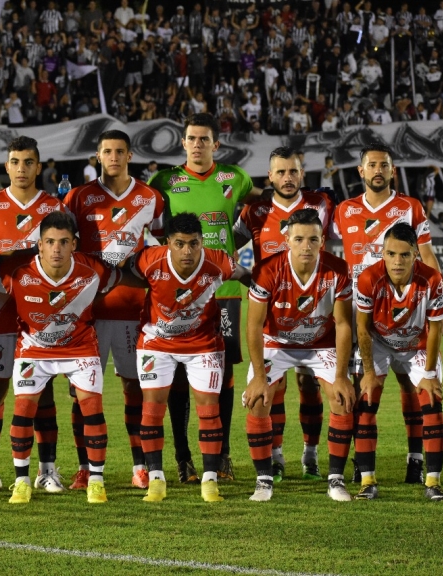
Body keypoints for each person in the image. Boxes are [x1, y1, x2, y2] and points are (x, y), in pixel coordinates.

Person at [148, 112, 261, 484]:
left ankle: (222, 453)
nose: (197, 145)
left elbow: (262, 204)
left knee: (222, 374)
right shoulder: (164, 181)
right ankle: (183, 458)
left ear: (216, 144)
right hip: (179, 292)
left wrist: (238, 241)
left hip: (223, 292)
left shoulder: (234, 178)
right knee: (179, 374)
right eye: (192, 139)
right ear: (183, 143)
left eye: (204, 139)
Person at [0, 212, 132, 505]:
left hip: (80, 348)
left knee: (92, 409)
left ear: (74, 244)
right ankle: (22, 482)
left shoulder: (93, 270)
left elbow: (130, 276)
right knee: (22, 410)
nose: (57, 249)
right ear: (39, 245)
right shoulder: (16, 272)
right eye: (50, 242)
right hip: (34, 350)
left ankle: (96, 481)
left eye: (64, 242)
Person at [330, 143, 443, 499]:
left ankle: (416, 460)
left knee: (413, 388)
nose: (378, 170)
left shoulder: (410, 207)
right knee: (363, 391)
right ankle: (361, 467)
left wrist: (442, 306)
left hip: (407, 306)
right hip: (361, 310)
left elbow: (426, 253)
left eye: (384, 165)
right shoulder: (344, 210)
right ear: (361, 171)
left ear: (393, 171)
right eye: (372, 165)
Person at [63, 129, 165, 490]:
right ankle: (85, 467)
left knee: (133, 389)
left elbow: (165, 244)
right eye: (107, 151)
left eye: (120, 151)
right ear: (98, 156)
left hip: (131, 308)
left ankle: (140, 467)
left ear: (129, 156)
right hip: (86, 310)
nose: (114, 157)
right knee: (81, 393)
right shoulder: (78, 197)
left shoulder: (150, 197)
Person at [0, 136, 66, 495]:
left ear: (38, 167)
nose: (21, 168)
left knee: (44, 388)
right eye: (15, 162)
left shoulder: (54, 207)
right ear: (6, 166)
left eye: (28, 162)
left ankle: (47, 471)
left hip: (43, 311)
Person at [129, 212, 251, 502]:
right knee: (152, 410)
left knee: (209, 411)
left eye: (193, 244)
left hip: (202, 344)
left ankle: (210, 482)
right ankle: (156, 481)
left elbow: (249, 277)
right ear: (168, 243)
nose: (187, 251)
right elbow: (120, 273)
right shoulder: (150, 260)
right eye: (180, 244)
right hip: (157, 343)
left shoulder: (218, 262)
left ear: (201, 242)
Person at [233, 148, 334, 483]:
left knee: (309, 385)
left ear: (302, 174)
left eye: (293, 171)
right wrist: (247, 278)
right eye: (281, 172)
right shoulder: (255, 211)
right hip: (271, 317)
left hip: (314, 315)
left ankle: (310, 456)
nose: (287, 178)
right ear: (270, 177)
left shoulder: (322, 204)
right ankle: (276, 458)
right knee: (271, 389)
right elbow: (227, 246)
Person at [243, 209, 355, 502]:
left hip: (320, 344)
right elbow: (254, 326)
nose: (306, 246)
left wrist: (341, 376)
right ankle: (264, 480)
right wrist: (258, 376)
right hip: (277, 343)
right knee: (258, 399)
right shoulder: (267, 270)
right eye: (299, 239)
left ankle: (336, 479)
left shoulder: (338, 270)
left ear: (322, 242)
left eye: (313, 239)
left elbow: (344, 324)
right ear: (287, 241)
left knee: (342, 398)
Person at [355, 223, 443, 501]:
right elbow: (362, 329)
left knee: (432, 402)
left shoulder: (431, 279)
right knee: (367, 401)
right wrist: (369, 372)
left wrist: (429, 373)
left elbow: (435, 329)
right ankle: (367, 482)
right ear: (382, 254)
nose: (397, 261)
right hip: (379, 343)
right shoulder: (368, 279)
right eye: (391, 254)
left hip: (416, 345)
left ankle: (433, 483)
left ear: (416, 254)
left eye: (405, 255)